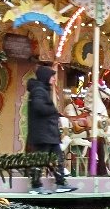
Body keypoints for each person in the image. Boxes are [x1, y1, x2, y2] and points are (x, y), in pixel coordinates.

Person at [27, 65, 77, 195]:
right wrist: (53, 111)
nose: (54, 79)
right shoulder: (38, 90)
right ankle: (35, 186)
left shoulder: (43, 90)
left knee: (57, 158)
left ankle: (60, 184)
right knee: (40, 160)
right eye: (52, 76)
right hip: (43, 133)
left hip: (49, 133)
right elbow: (39, 107)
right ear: (45, 77)